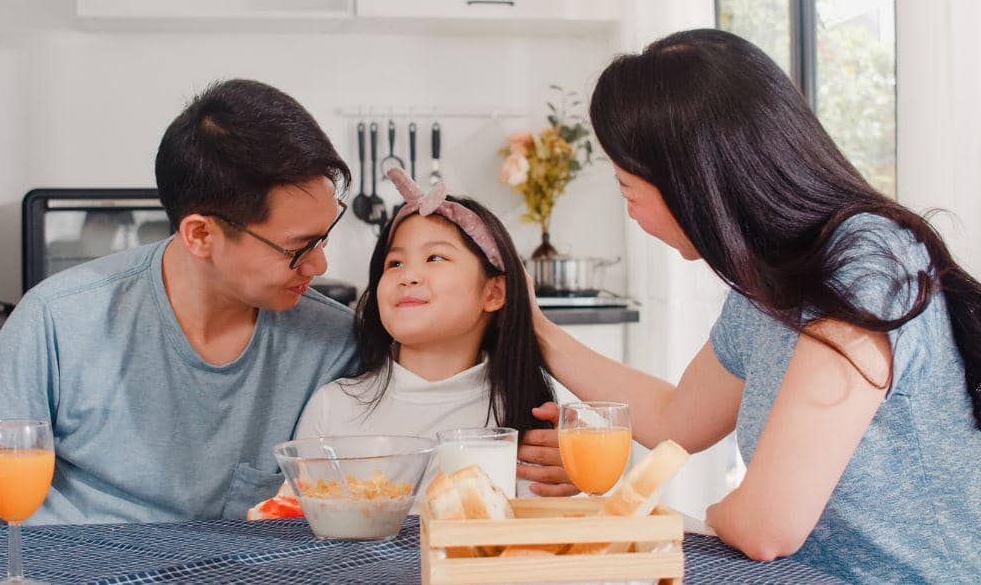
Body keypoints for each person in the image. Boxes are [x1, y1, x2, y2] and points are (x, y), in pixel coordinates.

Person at [529, 29, 981, 583]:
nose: (632, 216)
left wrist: (715, 516)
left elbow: (768, 526)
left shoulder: (866, 267)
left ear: (694, 182)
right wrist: (536, 329)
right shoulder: (767, 285)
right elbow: (678, 420)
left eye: (629, 192)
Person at [0, 79, 358, 524]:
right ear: (200, 234)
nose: (319, 265)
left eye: (325, 237)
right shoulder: (55, 321)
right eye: (298, 247)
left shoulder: (332, 342)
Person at [292, 168, 573, 497]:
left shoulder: (525, 415)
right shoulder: (333, 408)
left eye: (434, 257)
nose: (408, 275)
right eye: (394, 263)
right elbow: (300, 527)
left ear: (494, 293)